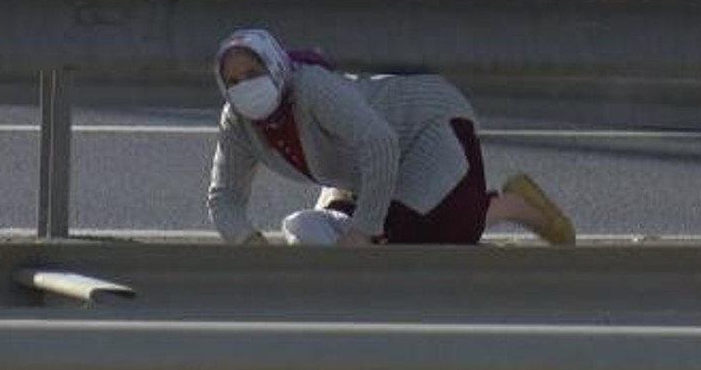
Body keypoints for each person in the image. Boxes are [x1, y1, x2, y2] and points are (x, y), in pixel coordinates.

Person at [205, 28, 576, 246]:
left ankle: (514, 203)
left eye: (253, 73)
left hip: (427, 120)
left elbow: (380, 143)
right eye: (233, 81)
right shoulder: (238, 120)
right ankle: (346, 199)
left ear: (274, 66)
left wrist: (362, 231)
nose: (245, 87)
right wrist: (251, 244)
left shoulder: (311, 88)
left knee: (441, 234)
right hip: (369, 155)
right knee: (386, 233)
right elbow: (224, 196)